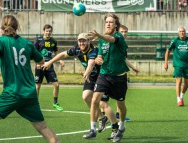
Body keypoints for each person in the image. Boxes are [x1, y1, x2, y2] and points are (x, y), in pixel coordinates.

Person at [0, 15, 60, 143]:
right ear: (17, 27)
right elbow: (41, 60)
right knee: (44, 128)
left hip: (12, 92)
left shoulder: (2, 42)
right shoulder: (27, 43)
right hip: (29, 94)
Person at [42, 33, 110, 133]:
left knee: (104, 103)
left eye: (84, 41)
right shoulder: (76, 49)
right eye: (80, 41)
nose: (81, 43)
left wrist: (86, 73)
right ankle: (103, 118)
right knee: (86, 96)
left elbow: (91, 64)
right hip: (91, 77)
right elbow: (62, 54)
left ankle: (117, 126)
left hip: (101, 77)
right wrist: (49, 62)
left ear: (88, 41)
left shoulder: (93, 50)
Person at [84, 13, 129, 141]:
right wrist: (98, 59)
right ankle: (92, 129)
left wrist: (98, 35)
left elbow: (111, 40)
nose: (108, 24)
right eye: (106, 22)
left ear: (116, 25)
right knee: (95, 100)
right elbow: (100, 55)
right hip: (104, 75)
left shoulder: (118, 36)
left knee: (120, 105)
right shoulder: (102, 39)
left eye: (111, 22)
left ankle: (121, 126)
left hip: (119, 77)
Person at [99, 24, 139, 123]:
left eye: (125, 32)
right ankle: (104, 116)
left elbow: (124, 59)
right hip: (106, 73)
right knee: (103, 97)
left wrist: (133, 67)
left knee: (119, 98)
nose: (124, 34)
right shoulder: (109, 41)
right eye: (122, 32)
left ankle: (117, 115)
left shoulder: (123, 44)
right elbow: (101, 54)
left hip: (118, 74)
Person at [164, 26, 188, 107]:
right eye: (180, 31)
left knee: (187, 83)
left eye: (183, 31)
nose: (182, 32)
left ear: (185, 32)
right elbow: (168, 50)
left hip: (187, 65)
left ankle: (182, 96)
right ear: (178, 33)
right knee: (178, 81)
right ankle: (178, 99)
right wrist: (166, 62)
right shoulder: (175, 41)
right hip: (178, 64)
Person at [34, 24, 64, 111]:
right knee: (37, 86)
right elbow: (34, 52)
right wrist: (37, 63)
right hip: (40, 66)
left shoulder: (53, 41)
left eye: (50, 31)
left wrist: (60, 60)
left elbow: (56, 52)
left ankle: (55, 103)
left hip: (49, 66)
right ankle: (35, 104)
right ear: (44, 31)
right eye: (47, 31)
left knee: (56, 84)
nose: (48, 33)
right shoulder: (38, 40)